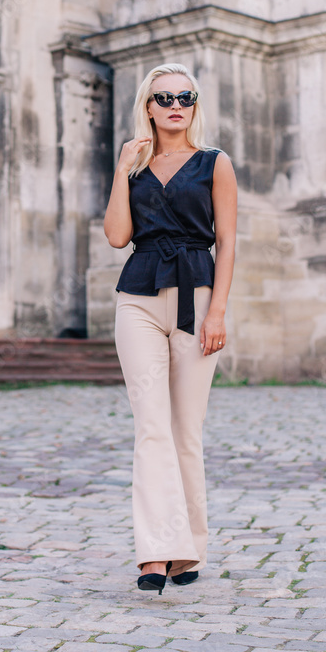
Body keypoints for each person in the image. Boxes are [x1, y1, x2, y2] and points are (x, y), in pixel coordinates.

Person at [103, 62, 237, 594]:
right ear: (149, 107)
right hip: (137, 298)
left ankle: (189, 549)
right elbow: (117, 236)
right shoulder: (134, 165)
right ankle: (155, 553)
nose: (175, 104)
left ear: (195, 105)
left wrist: (218, 311)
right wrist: (120, 169)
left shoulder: (214, 163)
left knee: (185, 432)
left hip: (196, 295)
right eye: (164, 98)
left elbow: (226, 241)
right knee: (151, 428)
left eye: (186, 96)